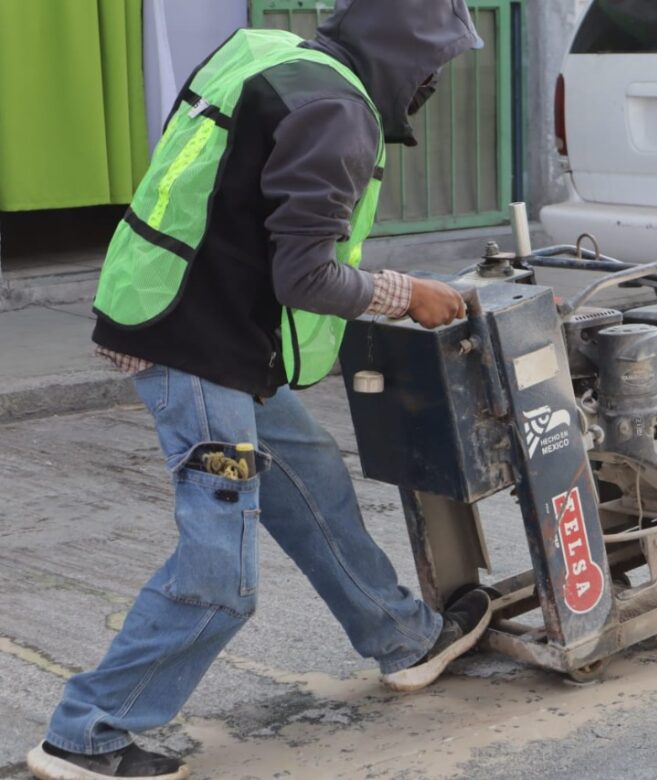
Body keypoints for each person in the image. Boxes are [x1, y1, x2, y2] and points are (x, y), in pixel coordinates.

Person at [27, 3, 488, 779]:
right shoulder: (337, 113)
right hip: (194, 346)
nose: (432, 82)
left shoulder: (270, 51)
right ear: (401, 51)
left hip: (203, 318)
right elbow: (306, 276)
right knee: (220, 573)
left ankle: (404, 639)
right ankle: (88, 734)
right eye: (432, 63)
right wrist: (409, 295)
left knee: (312, 483)